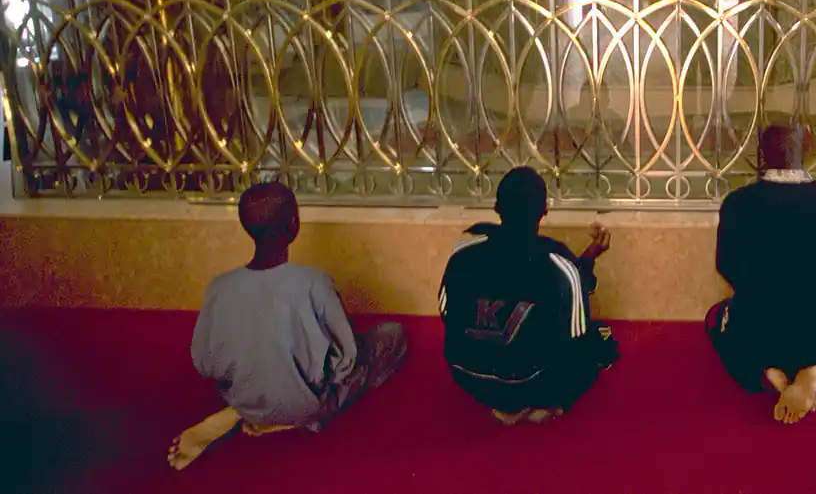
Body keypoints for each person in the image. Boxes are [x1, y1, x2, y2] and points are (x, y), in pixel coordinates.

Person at [168, 182, 407, 470]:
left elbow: (205, 363)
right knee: (392, 336)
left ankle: (248, 411)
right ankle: (294, 417)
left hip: (243, 395)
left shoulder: (219, 288)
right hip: (309, 404)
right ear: (294, 225)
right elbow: (347, 359)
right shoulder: (314, 282)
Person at [439, 166, 618, 424]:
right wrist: (588, 260)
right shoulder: (557, 262)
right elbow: (575, 334)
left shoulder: (463, 253)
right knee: (597, 343)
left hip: (468, 377)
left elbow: (446, 314)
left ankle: (502, 405)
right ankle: (542, 406)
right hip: (532, 382)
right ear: (543, 211)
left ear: (497, 208)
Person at [707, 125, 816, 424]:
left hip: (757, 321)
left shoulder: (737, 204)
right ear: (807, 153)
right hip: (814, 322)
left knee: (716, 320)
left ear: (762, 155)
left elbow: (725, 265)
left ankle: (772, 375)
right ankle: (812, 369)